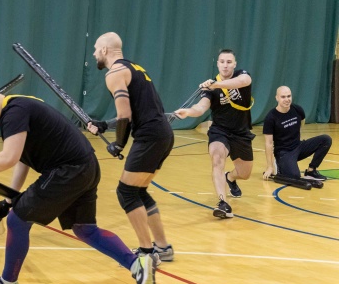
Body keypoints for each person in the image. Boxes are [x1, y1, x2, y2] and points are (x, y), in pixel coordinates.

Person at [0, 78, 156, 284]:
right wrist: (10, 196)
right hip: (86, 166)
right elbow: (23, 159)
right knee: (85, 229)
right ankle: (136, 264)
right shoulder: (21, 104)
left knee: (16, 221)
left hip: (68, 171)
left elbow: (8, 158)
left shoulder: (12, 113)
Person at [87, 32, 174, 265]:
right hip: (163, 134)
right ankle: (163, 247)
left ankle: (147, 252)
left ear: (105, 50)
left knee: (125, 192)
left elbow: (125, 114)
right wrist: (105, 125)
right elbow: (131, 112)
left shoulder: (114, 73)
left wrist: (119, 143)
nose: (94, 53)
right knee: (138, 191)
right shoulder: (134, 68)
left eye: (96, 48)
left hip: (150, 137)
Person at [174, 49, 254, 219]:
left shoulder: (241, 75)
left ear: (235, 64)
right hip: (220, 131)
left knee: (245, 174)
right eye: (222, 61)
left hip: (241, 133)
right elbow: (201, 107)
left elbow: (243, 81)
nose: (225, 65)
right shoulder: (210, 89)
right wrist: (188, 112)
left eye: (229, 62)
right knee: (217, 159)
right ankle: (223, 203)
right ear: (217, 64)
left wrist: (217, 85)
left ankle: (230, 178)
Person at [262, 86, 332, 181]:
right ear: (277, 98)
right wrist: (269, 167)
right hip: (284, 152)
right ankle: (278, 164)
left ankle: (311, 170)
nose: (287, 99)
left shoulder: (297, 109)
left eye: (289, 96)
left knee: (326, 139)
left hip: (298, 146)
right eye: (283, 97)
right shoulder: (271, 117)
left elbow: (302, 122)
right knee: (295, 176)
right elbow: (268, 143)